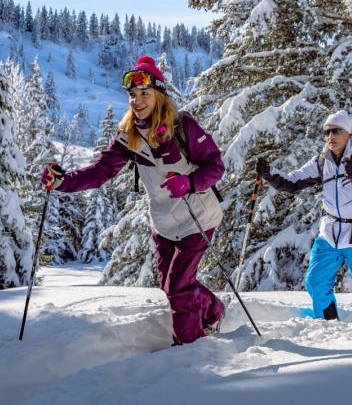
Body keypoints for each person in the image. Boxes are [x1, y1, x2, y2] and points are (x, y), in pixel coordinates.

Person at [40, 55, 226, 345]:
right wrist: (63, 182)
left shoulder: (182, 126)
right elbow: (102, 171)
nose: (137, 101)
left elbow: (216, 167)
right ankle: (213, 310)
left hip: (198, 218)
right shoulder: (129, 136)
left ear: (159, 96)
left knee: (178, 287)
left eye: (144, 94)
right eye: (132, 95)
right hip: (163, 223)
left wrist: (189, 182)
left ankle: (189, 351)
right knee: (170, 285)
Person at [256, 110, 352, 322]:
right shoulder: (322, 161)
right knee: (315, 283)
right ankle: (330, 325)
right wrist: (270, 173)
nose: (331, 136)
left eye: (336, 131)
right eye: (327, 132)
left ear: (348, 134)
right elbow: (293, 181)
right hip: (330, 233)